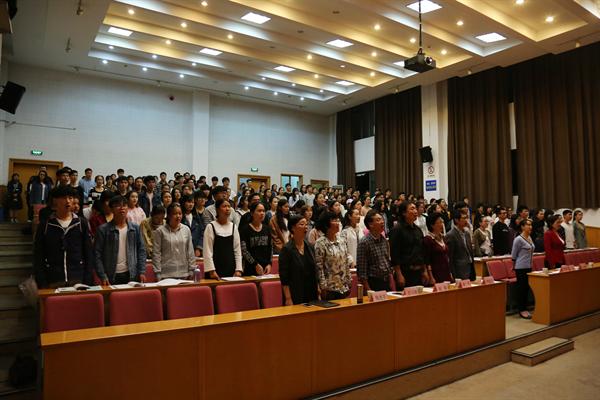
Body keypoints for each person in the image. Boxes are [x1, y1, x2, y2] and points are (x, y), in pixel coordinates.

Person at [33, 186, 93, 288]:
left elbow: (88, 253)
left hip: (78, 278)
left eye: (70, 198)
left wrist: (87, 279)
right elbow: (38, 255)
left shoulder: (81, 223)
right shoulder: (45, 225)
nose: (68, 201)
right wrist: (42, 282)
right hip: (53, 279)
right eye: (64, 198)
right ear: (55, 201)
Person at [94, 196, 147, 285]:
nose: (122, 208)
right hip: (111, 275)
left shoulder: (135, 228)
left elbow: (141, 251)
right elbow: (97, 254)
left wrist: (141, 271)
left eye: (124, 205)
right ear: (111, 209)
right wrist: (102, 275)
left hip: (132, 274)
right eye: (118, 205)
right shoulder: (103, 230)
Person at [279, 215, 319, 305]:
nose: (306, 227)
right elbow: (284, 278)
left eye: (306, 224)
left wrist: (318, 289)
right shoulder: (286, 249)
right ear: (293, 228)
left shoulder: (310, 247)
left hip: (311, 293)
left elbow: (315, 270)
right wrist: (288, 298)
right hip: (295, 294)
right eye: (302, 224)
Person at [152, 203, 196, 280]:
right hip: (166, 275)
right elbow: (156, 253)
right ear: (169, 215)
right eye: (175, 214)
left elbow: (190, 251)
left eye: (180, 213)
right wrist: (157, 272)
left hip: (184, 273)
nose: (178, 216)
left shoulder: (186, 229)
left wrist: (192, 269)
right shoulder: (160, 231)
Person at [314, 212, 353, 300]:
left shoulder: (341, 241)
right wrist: (323, 287)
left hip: (343, 286)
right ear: (326, 225)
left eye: (338, 220)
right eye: (334, 220)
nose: (337, 223)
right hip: (330, 288)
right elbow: (319, 267)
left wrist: (349, 279)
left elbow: (346, 262)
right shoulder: (320, 243)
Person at [389, 202, 427, 288]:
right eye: (412, 209)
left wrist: (424, 270)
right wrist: (399, 274)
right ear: (404, 213)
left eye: (415, 208)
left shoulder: (418, 230)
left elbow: (422, 251)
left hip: (418, 272)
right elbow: (394, 254)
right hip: (405, 272)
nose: (415, 211)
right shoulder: (397, 229)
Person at [202, 198, 243, 279]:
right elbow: (207, 251)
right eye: (224, 206)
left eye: (229, 206)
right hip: (215, 270)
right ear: (217, 209)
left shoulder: (233, 227)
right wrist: (211, 271)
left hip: (231, 269)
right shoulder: (211, 226)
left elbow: (237, 250)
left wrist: (238, 269)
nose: (227, 209)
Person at [357, 210, 393, 292]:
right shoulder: (364, 242)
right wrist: (368, 290)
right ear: (370, 224)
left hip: (386, 281)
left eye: (382, 219)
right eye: (378, 220)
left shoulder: (384, 240)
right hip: (373, 282)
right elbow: (362, 271)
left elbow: (387, 262)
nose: (382, 222)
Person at [239, 202, 273, 276]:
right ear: (252, 213)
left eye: (263, 211)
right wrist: (255, 264)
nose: (262, 213)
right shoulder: (245, 230)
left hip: (265, 268)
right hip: (250, 269)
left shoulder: (267, 229)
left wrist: (269, 264)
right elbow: (244, 250)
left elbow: (270, 248)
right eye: (259, 211)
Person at [511, 218, 534, 319]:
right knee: (522, 288)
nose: (530, 227)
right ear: (522, 227)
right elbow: (514, 255)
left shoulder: (530, 237)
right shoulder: (518, 239)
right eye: (528, 225)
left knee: (526, 288)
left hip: (529, 266)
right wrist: (513, 266)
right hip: (520, 267)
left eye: (531, 225)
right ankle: (521, 309)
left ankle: (525, 307)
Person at [423, 212, 452, 284]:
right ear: (432, 225)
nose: (442, 224)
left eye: (442, 222)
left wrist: (450, 272)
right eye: (440, 222)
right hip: (436, 273)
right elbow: (427, 260)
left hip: (446, 272)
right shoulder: (428, 239)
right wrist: (431, 276)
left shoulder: (443, 237)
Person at [446, 210, 474, 280]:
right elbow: (450, 257)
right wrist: (452, 273)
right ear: (456, 220)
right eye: (464, 218)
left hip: (470, 266)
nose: (466, 220)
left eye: (467, 218)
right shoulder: (451, 235)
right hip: (459, 269)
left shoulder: (467, 233)